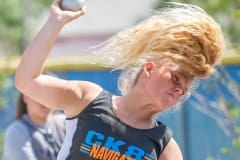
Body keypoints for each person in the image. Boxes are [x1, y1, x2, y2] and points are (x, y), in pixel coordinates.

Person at [14, 0, 224, 159]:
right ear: (150, 68)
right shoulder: (87, 100)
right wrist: (55, 22)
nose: (179, 89)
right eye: (176, 78)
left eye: (184, 90)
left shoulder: (165, 148)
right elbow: (26, 81)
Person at [2, 92, 66, 160]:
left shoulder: (66, 123)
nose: (46, 99)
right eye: (39, 93)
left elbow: (79, 150)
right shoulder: (16, 132)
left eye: (50, 92)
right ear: (26, 97)